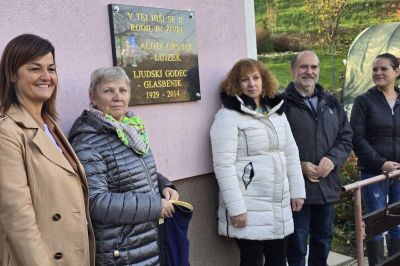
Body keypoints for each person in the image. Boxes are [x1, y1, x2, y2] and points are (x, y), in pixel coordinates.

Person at [68, 66, 179, 265]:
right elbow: (96, 202)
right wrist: (155, 206)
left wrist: (164, 186)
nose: (117, 97)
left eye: (122, 90)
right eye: (108, 91)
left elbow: (136, 173)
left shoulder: (131, 129)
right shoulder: (87, 140)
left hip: (145, 239)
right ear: (93, 97)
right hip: (121, 250)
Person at [0, 34, 95, 265]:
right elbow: (17, 218)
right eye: (35, 69)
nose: (46, 77)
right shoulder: (7, 131)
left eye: (51, 69)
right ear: (12, 74)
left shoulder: (50, 126)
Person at [210, 58, 306, 266]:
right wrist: (236, 209)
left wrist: (297, 191)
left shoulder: (277, 112)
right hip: (248, 206)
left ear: (264, 80)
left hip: (278, 206)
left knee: (278, 260)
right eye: (245, 80)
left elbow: (290, 152)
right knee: (252, 261)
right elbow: (223, 166)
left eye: (256, 78)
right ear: (236, 84)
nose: (252, 84)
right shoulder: (228, 116)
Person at [284, 51, 352, 266]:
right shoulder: (281, 105)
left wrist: (333, 159)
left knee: (323, 242)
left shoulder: (331, 103)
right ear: (293, 70)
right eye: (304, 67)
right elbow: (272, 147)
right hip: (297, 190)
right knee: (296, 246)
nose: (309, 72)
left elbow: (346, 137)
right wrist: (299, 166)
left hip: (326, 186)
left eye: (314, 67)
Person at [350, 53, 400, 265]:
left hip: (399, 173)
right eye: (374, 69)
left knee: (397, 223)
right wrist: (381, 163)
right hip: (374, 172)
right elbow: (357, 137)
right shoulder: (364, 101)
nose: (378, 73)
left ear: (397, 72)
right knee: (375, 222)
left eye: (384, 69)